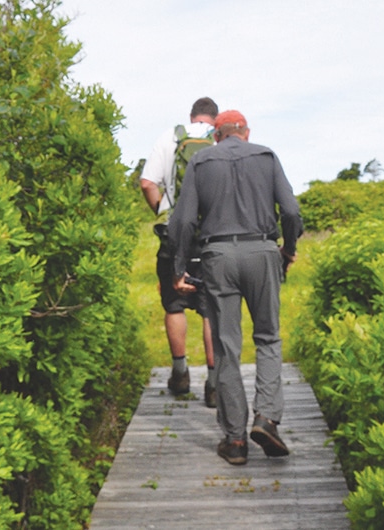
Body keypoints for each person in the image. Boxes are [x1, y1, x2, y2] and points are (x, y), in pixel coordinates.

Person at [168, 110, 303, 465]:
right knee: (268, 338)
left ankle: (235, 441)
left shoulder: (200, 161)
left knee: (227, 347)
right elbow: (290, 211)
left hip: (218, 256)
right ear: (245, 132)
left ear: (216, 135)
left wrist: (180, 267)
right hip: (262, 251)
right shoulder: (266, 155)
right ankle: (267, 418)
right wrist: (287, 249)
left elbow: (182, 220)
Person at [140, 97, 218, 407]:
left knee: (174, 305)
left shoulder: (170, 136)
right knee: (211, 309)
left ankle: (181, 374)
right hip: (212, 236)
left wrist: (163, 211)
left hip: (175, 231)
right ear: (214, 118)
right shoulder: (220, 139)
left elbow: (147, 183)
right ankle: (213, 385)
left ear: (191, 116)